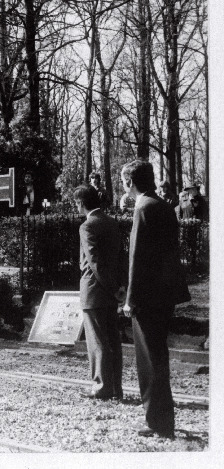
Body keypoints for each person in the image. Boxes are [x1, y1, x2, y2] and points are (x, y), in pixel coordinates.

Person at [121, 160, 191, 439]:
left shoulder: (143, 208)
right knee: (159, 357)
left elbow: (137, 258)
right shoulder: (163, 206)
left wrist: (130, 298)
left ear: (131, 182)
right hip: (165, 295)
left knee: (149, 360)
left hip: (147, 298)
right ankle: (165, 419)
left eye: (124, 181)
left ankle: (157, 422)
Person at [73, 185, 123, 400]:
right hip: (112, 291)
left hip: (94, 290)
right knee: (113, 341)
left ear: (81, 203)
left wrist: (110, 287)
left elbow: (94, 262)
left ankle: (101, 387)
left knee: (97, 343)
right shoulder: (111, 222)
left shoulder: (87, 226)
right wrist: (118, 287)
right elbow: (121, 257)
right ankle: (115, 389)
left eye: (76, 203)